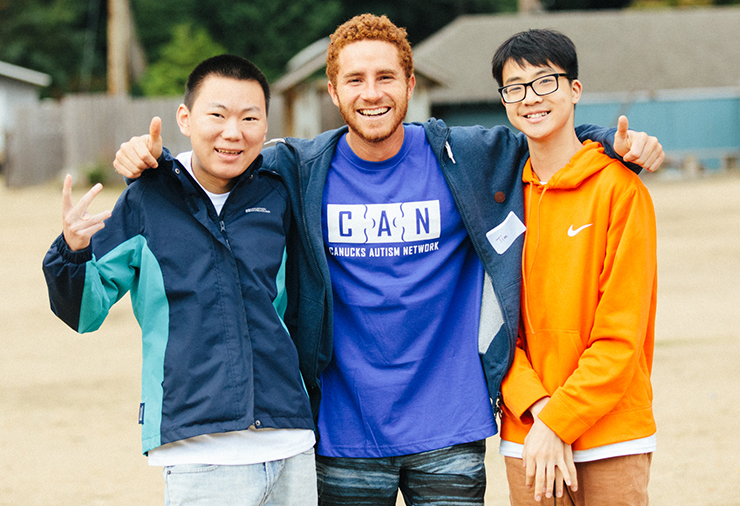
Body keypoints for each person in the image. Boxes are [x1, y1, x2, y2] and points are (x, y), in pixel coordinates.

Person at [114, 14, 664, 505]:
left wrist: (614, 142)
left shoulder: (465, 156)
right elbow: (223, 155)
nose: (371, 93)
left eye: (385, 78)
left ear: (410, 84)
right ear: (333, 90)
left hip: (450, 431)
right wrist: (158, 160)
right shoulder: (299, 168)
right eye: (354, 79)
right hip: (343, 435)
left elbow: (544, 127)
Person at [42, 55, 318, 506]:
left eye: (250, 118)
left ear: (266, 127)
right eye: (218, 115)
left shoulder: (278, 193)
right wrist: (71, 250)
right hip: (198, 450)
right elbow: (84, 311)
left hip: (291, 442)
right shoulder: (147, 199)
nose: (234, 132)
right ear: (185, 119)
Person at [491, 29, 657, 505]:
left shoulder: (620, 192)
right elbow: (493, 326)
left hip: (611, 433)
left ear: (575, 90)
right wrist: (541, 413)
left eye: (545, 82)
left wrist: (560, 419)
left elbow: (621, 335)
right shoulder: (501, 202)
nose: (531, 99)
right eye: (515, 88)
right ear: (504, 101)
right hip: (529, 431)